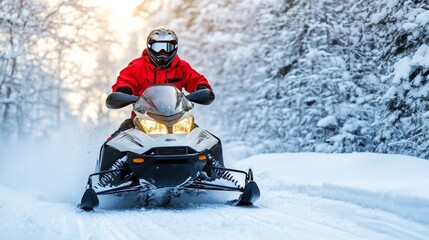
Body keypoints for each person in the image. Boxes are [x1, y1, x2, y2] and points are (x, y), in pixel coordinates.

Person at [111, 26, 213, 133]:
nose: (162, 52)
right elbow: (125, 80)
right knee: (116, 141)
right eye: (158, 47)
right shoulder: (137, 67)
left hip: (178, 120)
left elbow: (195, 79)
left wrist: (202, 88)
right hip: (143, 119)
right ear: (149, 47)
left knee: (205, 141)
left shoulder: (182, 67)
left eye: (167, 47)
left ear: (175, 47)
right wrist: (123, 90)